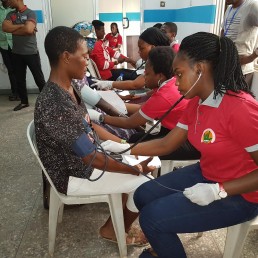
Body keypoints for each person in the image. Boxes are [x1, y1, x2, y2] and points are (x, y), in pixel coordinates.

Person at [101, 32, 258, 257]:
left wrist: (219, 190)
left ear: (200, 69)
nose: (175, 82)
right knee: (143, 195)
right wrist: (124, 147)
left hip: (242, 195)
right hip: (209, 173)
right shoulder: (197, 101)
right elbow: (166, 144)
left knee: (152, 219)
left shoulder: (242, 109)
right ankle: (162, 246)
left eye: (179, 74)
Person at [35, 26, 157, 246]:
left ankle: (119, 220)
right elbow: (91, 158)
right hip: (73, 175)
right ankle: (112, 229)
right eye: (84, 56)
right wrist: (134, 168)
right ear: (65, 57)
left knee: (134, 161)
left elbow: (88, 127)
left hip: (84, 161)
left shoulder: (68, 87)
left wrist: (123, 147)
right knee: (145, 182)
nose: (88, 61)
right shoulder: (55, 104)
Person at [92, 27, 170, 93]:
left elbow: (135, 84)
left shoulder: (157, 65)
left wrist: (109, 84)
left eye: (141, 48)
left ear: (153, 48)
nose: (139, 52)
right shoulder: (101, 44)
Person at [2, 0, 46, 111]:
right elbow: (5, 28)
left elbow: (29, 29)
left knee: (39, 79)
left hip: (31, 52)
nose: (7, 3)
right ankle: (24, 102)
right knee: (20, 80)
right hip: (16, 52)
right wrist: (23, 26)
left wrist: (16, 28)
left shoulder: (30, 13)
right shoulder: (10, 14)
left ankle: (47, 102)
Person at [221, 0, 258, 88]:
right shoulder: (229, 9)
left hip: (242, 72)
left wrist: (254, 55)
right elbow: (223, 30)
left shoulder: (252, 6)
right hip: (226, 68)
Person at [0, 0, 18, 101]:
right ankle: (15, 92)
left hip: (15, 43)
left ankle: (21, 92)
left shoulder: (15, 9)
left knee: (18, 69)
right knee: (10, 70)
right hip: (3, 45)